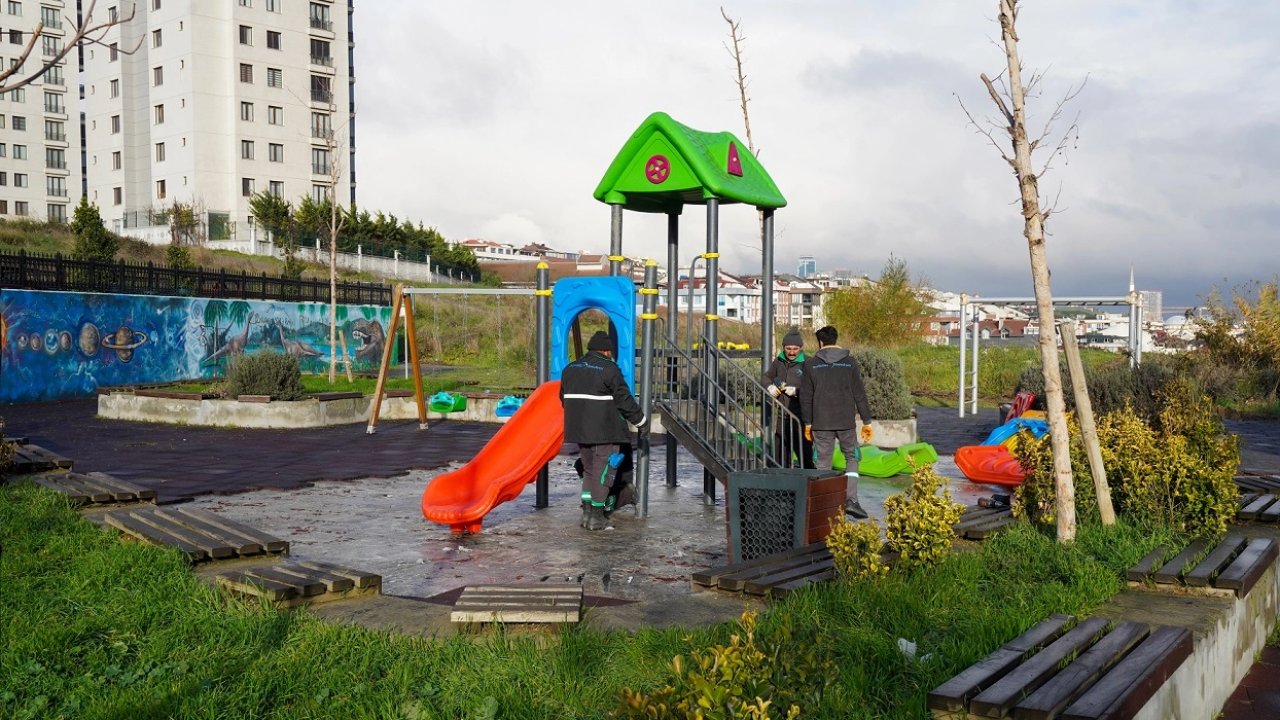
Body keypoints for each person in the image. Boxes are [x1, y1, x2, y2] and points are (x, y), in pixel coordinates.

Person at [560, 331, 646, 530]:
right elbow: (624, 400)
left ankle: (588, 514)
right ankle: (597, 516)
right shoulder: (609, 369)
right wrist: (641, 422)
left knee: (589, 469)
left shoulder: (569, 369)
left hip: (579, 430)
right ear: (607, 351)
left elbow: (562, 398)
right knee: (604, 471)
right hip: (603, 430)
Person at [798, 325, 874, 518]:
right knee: (852, 457)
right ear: (835, 339)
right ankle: (851, 500)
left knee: (823, 463)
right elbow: (860, 394)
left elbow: (805, 397)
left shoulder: (811, 364)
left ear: (820, 342)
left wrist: (807, 423)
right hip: (846, 422)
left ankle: (824, 506)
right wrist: (867, 421)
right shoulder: (850, 363)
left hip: (821, 423)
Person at [762, 328, 814, 469]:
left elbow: (815, 387)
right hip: (782, 415)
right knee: (780, 452)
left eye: (795, 349)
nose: (791, 352)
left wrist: (796, 391)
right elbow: (766, 377)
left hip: (802, 417)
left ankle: (809, 482)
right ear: (783, 348)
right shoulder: (779, 361)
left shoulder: (808, 363)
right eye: (788, 348)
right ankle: (781, 482)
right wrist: (769, 387)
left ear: (801, 348)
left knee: (804, 453)